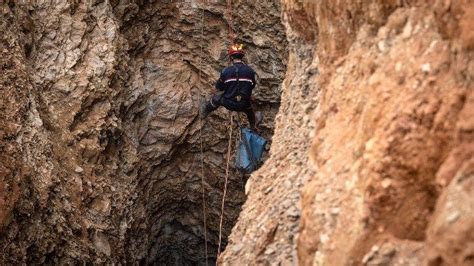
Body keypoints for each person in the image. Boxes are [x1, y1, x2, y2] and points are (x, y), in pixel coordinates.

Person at [200, 44, 258, 130]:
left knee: (217, 98)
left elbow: (219, 88)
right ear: (242, 57)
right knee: (250, 110)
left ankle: (205, 111)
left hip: (229, 103)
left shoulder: (226, 71)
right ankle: (253, 126)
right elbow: (252, 85)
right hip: (243, 105)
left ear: (231, 58)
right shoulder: (250, 71)